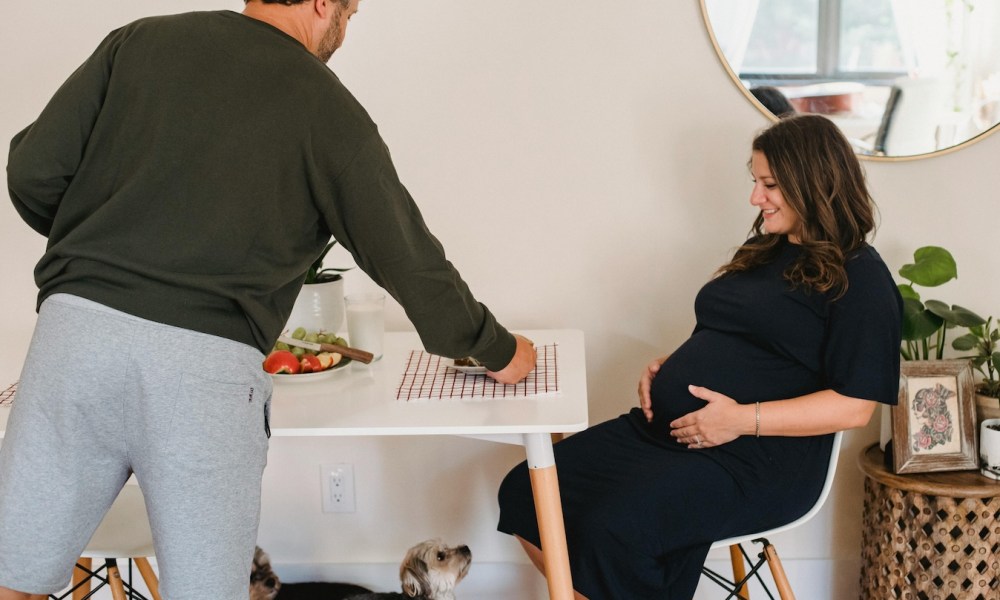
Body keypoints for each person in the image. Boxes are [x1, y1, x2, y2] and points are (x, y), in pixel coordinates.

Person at [0, 1, 536, 599]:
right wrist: (497, 348)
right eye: (350, 13)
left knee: (10, 577)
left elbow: (31, 171)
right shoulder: (328, 108)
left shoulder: (140, 42)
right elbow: (407, 258)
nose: (345, 28)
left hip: (76, 339)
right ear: (322, 4)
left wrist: (105, 250)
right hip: (203, 374)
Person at [496, 114, 902, 599]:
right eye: (755, 182)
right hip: (666, 434)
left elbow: (854, 407)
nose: (756, 198)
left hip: (755, 460)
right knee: (527, 490)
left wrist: (738, 420)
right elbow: (736, 335)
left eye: (770, 184)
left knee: (615, 526)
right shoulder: (765, 249)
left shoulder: (861, 279)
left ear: (813, 181)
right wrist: (670, 366)